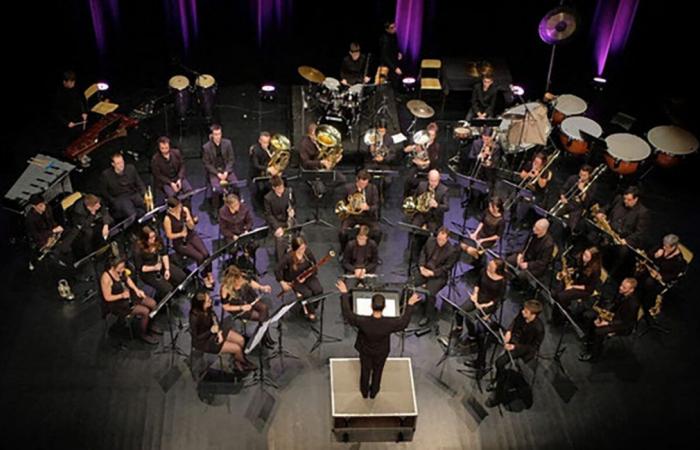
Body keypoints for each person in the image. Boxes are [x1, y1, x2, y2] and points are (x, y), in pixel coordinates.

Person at [337, 279, 420, 398]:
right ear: (384, 307)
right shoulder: (390, 323)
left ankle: (364, 391)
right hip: (381, 351)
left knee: (365, 370)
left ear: (371, 305)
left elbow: (347, 314)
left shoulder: (362, 321)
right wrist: (410, 304)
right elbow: (404, 323)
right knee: (378, 371)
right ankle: (374, 391)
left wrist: (344, 294)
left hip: (365, 350)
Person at [484, 300, 544, 407]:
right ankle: (498, 379)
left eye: (526, 311)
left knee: (500, 362)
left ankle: (498, 394)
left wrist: (514, 346)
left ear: (533, 314)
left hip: (523, 349)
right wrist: (508, 332)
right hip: (515, 341)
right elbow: (514, 323)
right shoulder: (522, 316)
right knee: (500, 364)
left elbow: (533, 348)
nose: (522, 312)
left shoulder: (539, 328)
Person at [100, 255, 161, 345]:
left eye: (123, 266)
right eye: (120, 267)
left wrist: (137, 290)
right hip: (117, 303)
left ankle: (150, 325)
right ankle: (142, 333)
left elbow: (128, 280)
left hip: (128, 295)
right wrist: (121, 295)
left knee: (153, 303)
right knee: (145, 311)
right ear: (113, 267)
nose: (122, 269)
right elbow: (107, 297)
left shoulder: (121, 270)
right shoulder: (106, 277)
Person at [189, 291, 255, 372]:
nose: (210, 301)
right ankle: (245, 363)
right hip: (205, 342)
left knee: (241, 340)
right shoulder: (194, 318)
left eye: (209, 299)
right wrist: (211, 331)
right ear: (201, 304)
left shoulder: (208, 307)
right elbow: (197, 338)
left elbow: (213, 316)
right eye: (208, 301)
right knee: (237, 348)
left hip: (215, 331)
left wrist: (218, 332)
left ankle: (237, 361)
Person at [593, 186, 650, 278]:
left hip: (622, 239)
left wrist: (627, 240)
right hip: (608, 230)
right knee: (592, 232)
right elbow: (607, 207)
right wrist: (601, 212)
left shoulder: (642, 212)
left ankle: (609, 275)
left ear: (636, 199)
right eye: (625, 199)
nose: (625, 201)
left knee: (623, 252)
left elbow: (640, 233)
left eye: (629, 200)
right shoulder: (619, 199)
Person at [578, 278, 639, 362]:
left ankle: (594, 355)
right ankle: (590, 341)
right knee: (593, 318)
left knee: (599, 331)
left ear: (631, 290)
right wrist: (603, 314)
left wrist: (607, 323)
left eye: (624, 287)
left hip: (623, 326)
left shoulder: (633, 304)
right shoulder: (622, 294)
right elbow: (614, 306)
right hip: (616, 318)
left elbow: (626, 322)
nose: (620, 288)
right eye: (621, 285)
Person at [162, 196, 214, 289]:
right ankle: (204, 277)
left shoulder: (184, 210)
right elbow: (169, 235)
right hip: (179, 242)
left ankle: (209, 273)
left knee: (206, 253)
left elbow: (191, 227)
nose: (180, 207)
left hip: (191, 235)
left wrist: (190, 222)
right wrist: (181, 234)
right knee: (199, 257)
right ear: (171, 208)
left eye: (179, 204)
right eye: (177, 206)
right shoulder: (167, 219)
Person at [414, 227, 459, 331]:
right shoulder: (430, 240)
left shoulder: (452, 251)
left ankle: (427, 316)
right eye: (438, 238)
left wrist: (432, 273)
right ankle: (403, 304)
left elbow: (446, 268)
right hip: (425, 269)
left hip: (438, 275)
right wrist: (421, 267)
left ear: (447, 239)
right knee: (411, 282)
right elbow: (423, 253)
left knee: (431, 293)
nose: (439, 241)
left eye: (442, 239)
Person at [219, 265, 275, 348]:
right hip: (239, 308)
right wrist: (241, 307)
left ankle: (263, 336)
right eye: (236, 279)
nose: (239, 280)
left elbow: (251, 283)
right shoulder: (225, 289)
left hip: (250, 300)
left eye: (239, 278)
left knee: (264, 308)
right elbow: (226, 307)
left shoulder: (242, 276)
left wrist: (261, 287)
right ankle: (264, 336)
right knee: (262, 316)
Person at [635, 234, 687, 319]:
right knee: (638, 271)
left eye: (667, 247)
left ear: (674, 247)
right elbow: (648, 255)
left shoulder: (679, 261)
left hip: (660, 279)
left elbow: (674, 275)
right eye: (664, 245)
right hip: (651, 270)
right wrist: (655, 255)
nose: (664, 247)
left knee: (649, 282)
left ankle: (641, 302)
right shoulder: (661, 247)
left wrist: (660, 276)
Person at [275, 237, 324, 321]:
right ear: (295, 248)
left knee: (319, 290)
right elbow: (277, 269)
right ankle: (310, 312)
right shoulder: (288, 257)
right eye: (301, 248)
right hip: (295, 279)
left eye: (304, 247)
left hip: (307, 276)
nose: (303, 250)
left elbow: (314, 265)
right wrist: (282, 282)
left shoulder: (307, 253)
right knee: (307, 293)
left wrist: (310, 273)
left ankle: (311, 306)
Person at [132, 225, 187, 300]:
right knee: (168, 289)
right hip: (148, 271)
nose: (153, 239)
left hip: (159, 264)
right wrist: (154, 268)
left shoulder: (157, 239)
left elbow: (164, 254)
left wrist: (167, 269)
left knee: (181, 276)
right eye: (150, 238)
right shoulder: (137, 249)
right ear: (144, 239)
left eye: (154, 236)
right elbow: (140, 268)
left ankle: (177, 290)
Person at [552, 246, 602, 323]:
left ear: (593, 259)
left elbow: (590, 288)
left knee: (561, 296)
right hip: (577, 282)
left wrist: (572, 287)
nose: (583, 257)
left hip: (585, 290)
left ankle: (560, 319)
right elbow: (578, 270)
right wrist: (569, 271)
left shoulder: (596, 271)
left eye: (587, 256)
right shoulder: (582, 260)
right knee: (556, 292)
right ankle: (558, 315)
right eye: (584, 254)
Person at [338, 169, 380, 249]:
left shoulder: (372, 188)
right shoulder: (348, 188)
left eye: (365, 183)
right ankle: (343, 251)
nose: (363, 185)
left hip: (367, 216)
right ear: (357, 179)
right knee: (342, 233)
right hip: (352, 217)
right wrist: (349, 207)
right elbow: (342, 203)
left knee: (377, 232)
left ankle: (373, 252)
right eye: (361, 183)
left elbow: (376, 206)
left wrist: (367, 207)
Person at [460, 197, 505, 271]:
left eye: (491, 206)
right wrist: (475, 233)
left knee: (474, 247)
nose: (489, 207)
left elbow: (497, 236)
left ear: (496, 208)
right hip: (481, 234)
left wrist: (483, 240)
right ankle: (474, 255)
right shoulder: (488, 210)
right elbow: (482, 222)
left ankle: (477, 262)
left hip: (489, 239)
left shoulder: (501, 221)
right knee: (464, 242)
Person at [506, 218, 555, 285]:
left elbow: (543, 262)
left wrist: (528, 265)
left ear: (544, 230)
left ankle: (518, 286)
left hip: (536, 265)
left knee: (522, 275)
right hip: (526, 256)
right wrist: (520, 254)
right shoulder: (533, 233)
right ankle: (509, 277)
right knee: (509, 260)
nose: (534, 229)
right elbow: (525, 244)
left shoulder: (548, 244)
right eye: (534, 226)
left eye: (537, 229)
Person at [202, 124, 237, 214]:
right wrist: (217, 174)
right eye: (215, 134)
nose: (218, 136)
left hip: (226, 170)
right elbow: (207, 164)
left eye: (219, 134)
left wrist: (226, 171)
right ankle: (216, 209)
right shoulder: (206, 147)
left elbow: (231, 159)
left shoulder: (228, 143)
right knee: (216, 188)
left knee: (235, 184)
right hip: (214, 172)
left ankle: (235, 205)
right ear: (212, 135)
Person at [101, 152, 146, 220]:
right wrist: (113, 201)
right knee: (131, 213)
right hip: (120, 198)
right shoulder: (106, 175)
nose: (121, 165)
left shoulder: (130, 168)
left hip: (133, 193)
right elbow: (104, 192)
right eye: (118, 163)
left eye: (122, 162)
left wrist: (144, 193)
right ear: (113, 164)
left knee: (145, 206)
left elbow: (139, 182)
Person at [151, 136, 193, 205]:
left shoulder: (176, 153)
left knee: (189, 192)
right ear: (159, 148)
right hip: (166, 181)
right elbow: (158, 175)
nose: (165, 150)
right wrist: (170, 183)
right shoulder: (155, 159)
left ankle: (187, 211)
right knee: (173, 197)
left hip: (178, 178)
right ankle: (176, 213)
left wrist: (179, 179)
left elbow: (182, 166)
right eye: (162, 148)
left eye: (166, 148)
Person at [67, 193, 113, 258]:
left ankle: (107, 242)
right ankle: (90, 254)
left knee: (109, 220)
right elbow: (85, 224)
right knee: (88, 233)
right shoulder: (78, 210)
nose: (99, 206)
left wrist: (106, 225)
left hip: (92, 215)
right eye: (97, 206)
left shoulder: (97, 201)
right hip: (81, 222)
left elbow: (104, 211)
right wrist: (92, 214)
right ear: (89, 207)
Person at [403, 122, 440, 197]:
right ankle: (406, 199)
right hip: (417, 166)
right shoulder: (422, 141)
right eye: (429, 135)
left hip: (429, 168)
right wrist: (413, 147)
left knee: (420, 183)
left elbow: (431, 161)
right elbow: (406, 150)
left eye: (432, 135)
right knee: (408, 180)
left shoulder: (436, 146)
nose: (430, 137)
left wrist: (421, 163)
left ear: (435, 136)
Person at [264, 175, 295, 262]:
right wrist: (277, 228)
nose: (282, 189)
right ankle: (281, 262)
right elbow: (269, 215)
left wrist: (293, 211)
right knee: (280, 240)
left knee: (300, 234)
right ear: (274, 188)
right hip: (277, 222)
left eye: (282, 186)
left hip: (288, 219)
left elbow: (294, 204)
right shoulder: (268, 198)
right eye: (279, 187)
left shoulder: (288, 192)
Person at [53, 70, 87, 144]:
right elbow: (57, 112)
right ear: (64, 82)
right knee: (69, 142)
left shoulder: (77, 88)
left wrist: (84, 112)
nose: (73, 84)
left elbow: (82, 100)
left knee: (81, 138)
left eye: (73, 82)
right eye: (70, 82)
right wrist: (66, 122)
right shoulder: (59, 94)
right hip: (67, 123)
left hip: (78, 119)